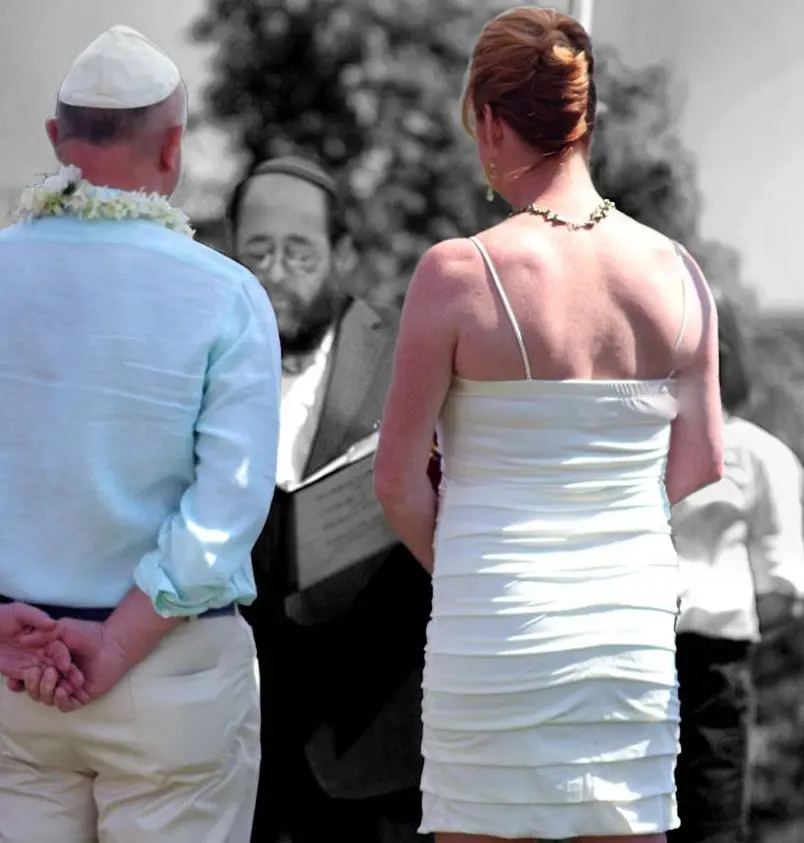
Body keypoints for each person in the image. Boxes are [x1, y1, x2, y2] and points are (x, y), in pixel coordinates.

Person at [374, 7, 723, 843]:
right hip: (625, 634)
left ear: (491, 124)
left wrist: (469, 556)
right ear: (585, 118)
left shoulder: (457, 274)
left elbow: (393, 482)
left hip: (492, 624)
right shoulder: (677, 273)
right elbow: (703, 460)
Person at [0, 24, 281, 843]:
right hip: (171, 678)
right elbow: (226, 510)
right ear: (173, 152)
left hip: (17, 676)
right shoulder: (225, 295)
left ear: (57, 141)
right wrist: (118, 643)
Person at [227, 155, 432, 843]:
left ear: (341, 253)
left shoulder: (412, 352)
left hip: (371, 745)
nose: (276, 272)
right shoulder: (194, 354)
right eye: (258, 250)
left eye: (299, 252)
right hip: (233, 743)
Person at [668, 292, 804, 843]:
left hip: (710, 670)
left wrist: (720, 626)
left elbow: (783, 590)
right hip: (623, 665)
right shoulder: (631, 450)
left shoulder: (760, 455)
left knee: (709, 827)